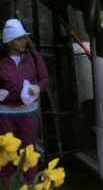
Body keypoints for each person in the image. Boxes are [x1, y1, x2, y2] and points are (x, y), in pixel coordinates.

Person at [0, 19, 48, 185]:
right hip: (5, 116)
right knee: (6, 154)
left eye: (24, 38)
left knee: (28, 154)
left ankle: (29, 185)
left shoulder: (34, 57)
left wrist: (37, 88)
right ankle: (6, 185)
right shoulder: (1, 61)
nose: (24, 41)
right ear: (10, 42)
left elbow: (44, 80)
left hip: (29, 113)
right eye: (19, 39)